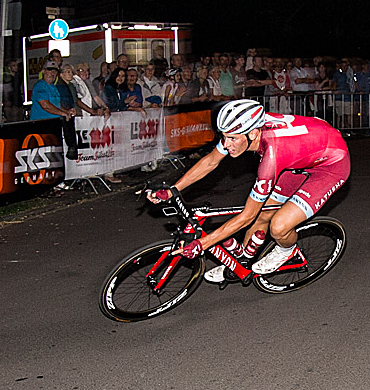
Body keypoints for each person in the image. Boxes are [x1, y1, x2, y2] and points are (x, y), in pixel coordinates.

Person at [147, 99, 351, 284]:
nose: (226, 145)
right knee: (262, 215)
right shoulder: (243, 128)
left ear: (252, 134)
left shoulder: (271, 157)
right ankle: (239, 264)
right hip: (301, 155)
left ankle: (287, 251)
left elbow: (246, 216)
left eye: (233, 139)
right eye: (224, 138)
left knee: (278, 226)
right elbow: (211, 161)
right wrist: (174, 189)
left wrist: (203, 244)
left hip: (330, 164)